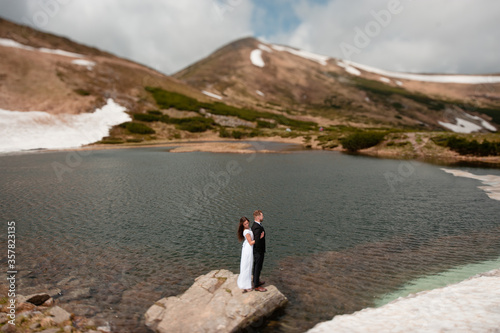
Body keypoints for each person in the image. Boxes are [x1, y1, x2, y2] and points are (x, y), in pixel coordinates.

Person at [237, 217, 254, 292]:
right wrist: (259, 238)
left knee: (247, 266)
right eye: (245, 224)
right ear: (242, 225)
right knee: (247, 266)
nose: (247, 224)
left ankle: (245, 283)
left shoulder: (248, 229)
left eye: (247, 223)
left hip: (248, 248)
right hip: (248, 249)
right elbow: (250, 242)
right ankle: (246, 286)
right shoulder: (246, 232)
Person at [252, 210, 267, 292]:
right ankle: (256, 286)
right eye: (262, 215)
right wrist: (259, 252)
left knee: (257, 267)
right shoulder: (257, 227)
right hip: (258, 251)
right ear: (258, 217)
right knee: (258, 267)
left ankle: (256, 281)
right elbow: (256, 240)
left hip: (258, 251)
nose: (263, 217)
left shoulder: (256, 225)